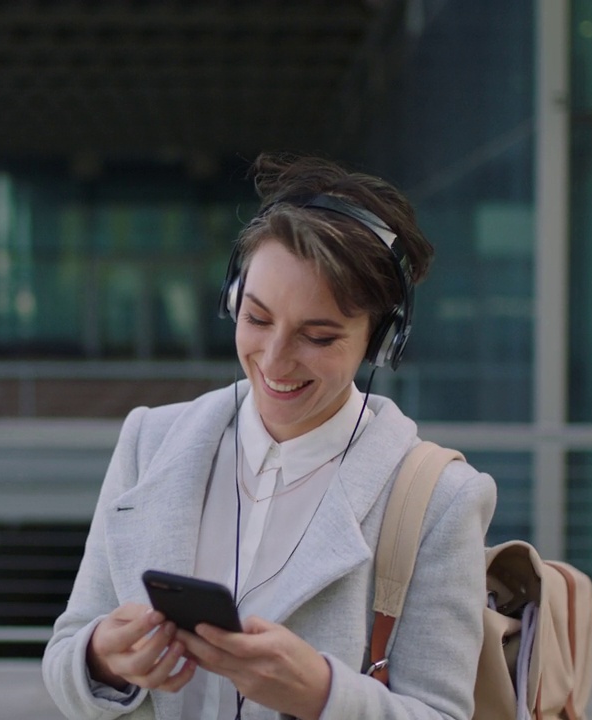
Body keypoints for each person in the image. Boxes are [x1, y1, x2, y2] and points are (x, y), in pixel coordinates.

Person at [42, 153, 497, 720]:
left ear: (381, 343)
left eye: (319, 336)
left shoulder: (439, 498)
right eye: (256, 319)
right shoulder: (149, 441)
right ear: (233, 299)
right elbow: (66, 651)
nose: (275, 360)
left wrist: (321, 695)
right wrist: (101, 661)